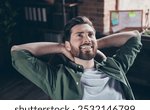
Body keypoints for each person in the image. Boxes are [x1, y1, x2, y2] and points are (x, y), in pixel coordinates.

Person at [11, 16, 142, 100]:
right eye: (79, 35)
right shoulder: (57, 78)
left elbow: (134, 37)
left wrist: (92, 45)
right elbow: (17, 52)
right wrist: (61, 47)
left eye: (91, 34)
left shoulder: (114, 66)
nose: (87, 39)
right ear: (67, 44)